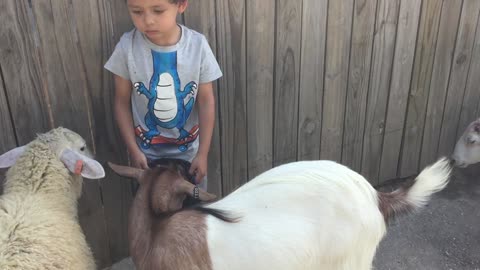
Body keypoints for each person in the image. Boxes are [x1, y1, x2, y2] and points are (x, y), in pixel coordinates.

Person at [104, 0, 222, 189]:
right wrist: (134, 151)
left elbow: (206, 101)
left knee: (195, 211)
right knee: (152, 211)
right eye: (137, 11)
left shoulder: (197, 46)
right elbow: (121, 102)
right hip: (146, 156)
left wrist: (202, 154)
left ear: (182, 5)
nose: (148, 20)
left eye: (158, 11)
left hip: (190, 154)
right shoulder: (127, 47)